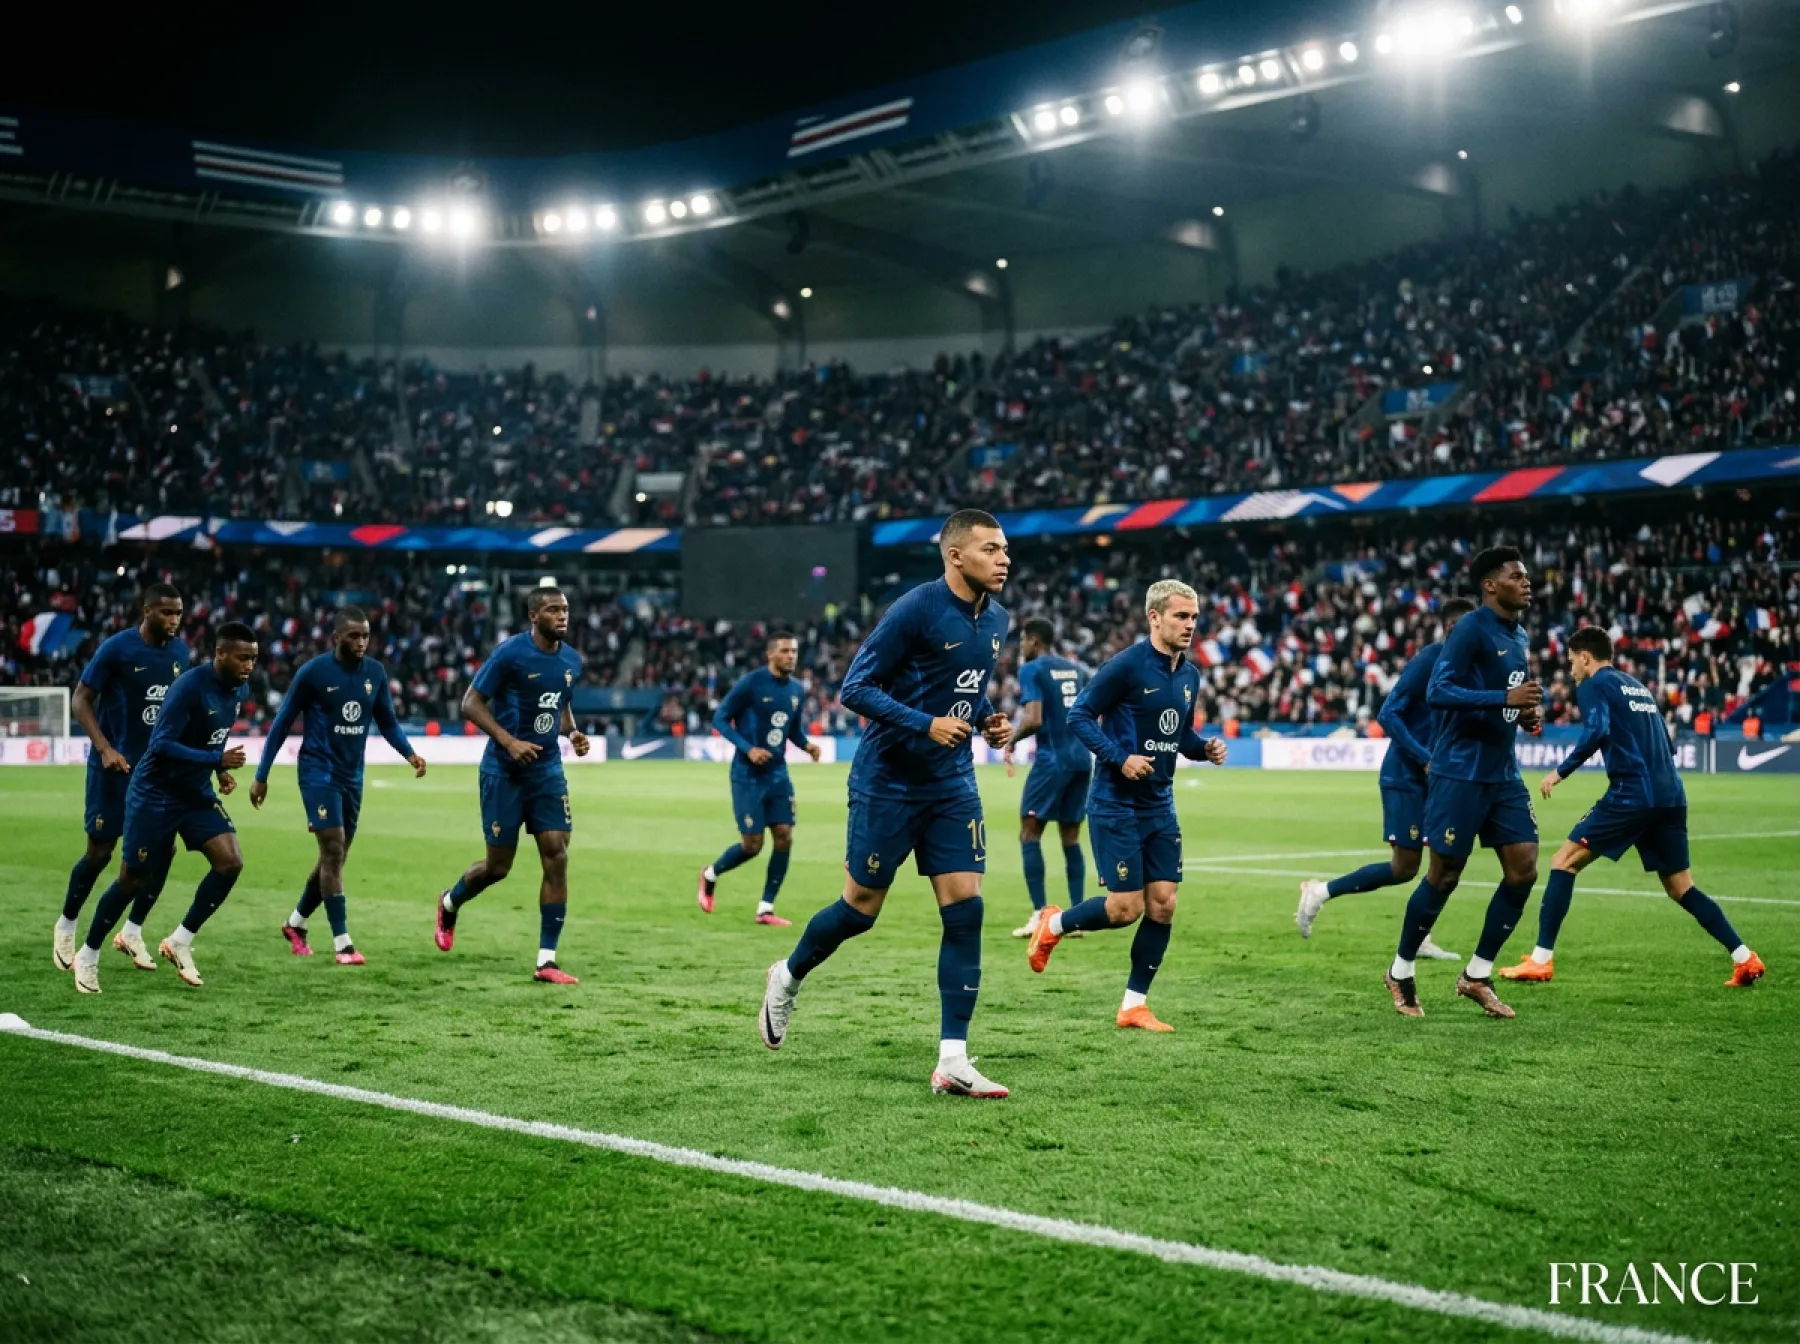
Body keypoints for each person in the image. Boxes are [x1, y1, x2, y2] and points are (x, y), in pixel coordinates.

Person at [756, 509, 1014, 1098]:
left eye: (1005, 550)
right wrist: (926, 724)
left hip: (951, 784)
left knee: (965, 908)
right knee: (860, 910)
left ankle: (953, 1058)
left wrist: (985, 724)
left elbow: (961, 698)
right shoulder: (916, 609)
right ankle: (788, 975)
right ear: (955, 556)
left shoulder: (996, 620)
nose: (1004, 559)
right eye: (991, 549)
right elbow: (855, 689)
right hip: (888, 782)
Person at [1500, 626, 1766, 987]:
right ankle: (1744, 957)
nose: (1571, 669)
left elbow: (1596, 730)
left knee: (1562, 862)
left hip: (1632, 794)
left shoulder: (1594, 685)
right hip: (1670, 795)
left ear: (1585, 656)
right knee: (1680, 887)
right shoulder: (1636, 686)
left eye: (1571, 661)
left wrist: (1561, 772)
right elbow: (1666, 746)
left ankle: (1541, 960)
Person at [1026, 581, 1228, 1031]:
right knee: (1123, 909)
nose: (1190, 625)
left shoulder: (1189, 675)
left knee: (1163, 904)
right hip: (1115, 803)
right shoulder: (1125, 667)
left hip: (1160, 804)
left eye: (1194, 617)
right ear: (1154, 617)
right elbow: (1079, 715)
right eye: (1181, 616)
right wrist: (1120, 758)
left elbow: (1181, 737)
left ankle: (1133, 1006)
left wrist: (1204, 748)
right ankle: (1054, 923)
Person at [1385, 547, 1542, 1020]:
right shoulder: (1471, 628)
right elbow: (1438, 691)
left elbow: (1510, 697)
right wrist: (1504, 698)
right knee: (1444, 876)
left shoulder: (1520, 635)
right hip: (1459, 769)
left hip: (1503, 771)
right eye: (1517, 576)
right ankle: (1400, 970)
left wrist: (1525, 711)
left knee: (1524, 870)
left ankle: (1476, 974)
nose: (1526, 582)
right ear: (1491, 586)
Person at [73, 622, 259, 993]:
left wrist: (218, 768)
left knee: (230, 862)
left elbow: (210, 735)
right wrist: (214, 758)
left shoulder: (240, 689)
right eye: (242, 657)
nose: (249, 665)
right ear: (220, 653)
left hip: (193, 793)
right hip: (154, 793)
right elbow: (161, 745)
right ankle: (88, 953)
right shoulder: (189, 687)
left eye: (254, 658)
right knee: (133, 879)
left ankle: (180, 941)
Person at [1296, 598, 1476, 956]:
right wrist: (1424, 759)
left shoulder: (1473, 669)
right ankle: (1320, 891)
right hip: (1406, 774)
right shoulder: (1430, 659)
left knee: (1446, 862)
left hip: (1440, 778)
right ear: (1454, 630)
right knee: (1405, 867)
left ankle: (1419, 937)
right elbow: (1388, 714)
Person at [250, 606, 427, 965]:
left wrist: (410, 754)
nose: (361, 642)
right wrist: (261, 774)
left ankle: (295, 923)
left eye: (365, 635)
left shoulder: (375, 673)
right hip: (318, 771)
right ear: (336, 638)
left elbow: (388, 723)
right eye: (353, 636)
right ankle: (343, 943)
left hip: (352, 776)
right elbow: (283, 722)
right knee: (333, 850)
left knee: (336, 856)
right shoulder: (314, 672)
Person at [433, 588, 590, 983]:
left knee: (556, 852)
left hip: (547, 770)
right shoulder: (510, 654)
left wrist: (572, 734)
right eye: (553, 610)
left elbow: (562, 705)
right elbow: (470, 702)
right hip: (503, 771)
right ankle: (450, 902)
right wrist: (509, 741)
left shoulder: (571, 660)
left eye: (566, 610)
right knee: (498, 867)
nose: (562, 616)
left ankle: (546, 961)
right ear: (533, 615)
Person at [53, 583, 189, 975]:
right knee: (100, 852)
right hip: (112, 768)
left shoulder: (180, 654)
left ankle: (131, 930)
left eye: (178, 613)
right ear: (146, 611)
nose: (174, 620)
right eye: (166, 613)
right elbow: (81, 698)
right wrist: (104, 748)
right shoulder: (117, 648)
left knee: (162, 853)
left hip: (153, 773)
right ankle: (67, 923)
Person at [697, 632, 821, 926]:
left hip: (778, 773)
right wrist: (748, 749)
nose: (791, 656)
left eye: (794, 651)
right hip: (747, 774)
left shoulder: (796, 690)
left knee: (784, 836)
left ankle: (765, 908)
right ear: (770, 654)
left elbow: (792, 730)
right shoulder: (751, 683)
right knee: (752, 845)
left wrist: (807, 746)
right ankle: (710, 874)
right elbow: (720, 718)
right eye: (785, 651)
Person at [1002, 618, 1091, 939]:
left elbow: (1034, 717)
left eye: (1023, 641)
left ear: (1035, 641)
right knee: (1070, 839)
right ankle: (1078, 918)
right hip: (1082, 759)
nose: (1021, 648)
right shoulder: (1077, 670)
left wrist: (1011, 740)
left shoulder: (1032, 669)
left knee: (1029, 832)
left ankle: (1040, 914)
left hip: (1053, 760)